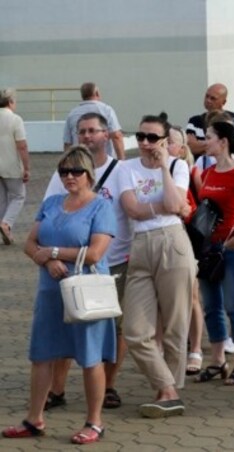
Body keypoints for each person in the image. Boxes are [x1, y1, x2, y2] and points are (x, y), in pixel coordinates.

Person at [4, 146, 116, 444]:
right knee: (41, 354)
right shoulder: (52, 203)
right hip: (51, 291)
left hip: (85, 294)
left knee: (91, 357)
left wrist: (53, 251)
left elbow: (95, 253)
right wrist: (47, 260)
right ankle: (34, 418)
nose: (69, 177)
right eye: (64, 171)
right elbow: (30, 244)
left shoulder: (101, 206)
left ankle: (94, 422)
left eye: (76, 171)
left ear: (88, 174)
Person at [42, 113, 133, 411]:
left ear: (106, 135)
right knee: (65, 326)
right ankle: (56, 389)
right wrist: (47, 258)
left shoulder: (121, 170)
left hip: (113, 263)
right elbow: (45, 221)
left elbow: (133, 210)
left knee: (111, 329)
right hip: (66, 268)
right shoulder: (63, 173)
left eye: (93, 130)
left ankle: (108, 386)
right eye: (82, 131)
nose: (87, 135)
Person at [119, 113, 195, 418]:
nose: (145, 143)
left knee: (176, 322)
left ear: (165, 141)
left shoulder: (178, 166)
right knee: (135, 330)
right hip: (140, 245)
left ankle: (167, 392)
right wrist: (161, 206)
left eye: (152, 138)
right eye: (141, 137)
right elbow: (133, 210)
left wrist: (164, 164)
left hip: (173, 242)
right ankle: (169, 389)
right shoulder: (126, 168)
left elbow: (178, 205)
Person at [193, 121, 234, 386]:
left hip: (233, 248)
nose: (204, 141)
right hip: (209, 249)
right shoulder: (207, 174)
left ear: (223, 142)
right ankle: (218, 360)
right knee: (211, 306)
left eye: (208, 137)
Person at [165, 126, 205, 377]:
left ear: (181, 149)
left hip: (188, 236)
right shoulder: (144, 172)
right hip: (162, 239)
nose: (164, 145)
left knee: (191, 296)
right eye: (163, 140)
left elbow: (195, 205)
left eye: (170, 142)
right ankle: (163, 348)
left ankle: (196, 348)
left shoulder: (187, 171)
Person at [63, 82, 125, 160]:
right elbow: (116, 136)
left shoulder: (72, 114)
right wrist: (122, 161)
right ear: (97, 93)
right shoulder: (106, 110)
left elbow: (67, 143)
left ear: (82, 96)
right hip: (105, 162)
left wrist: (68, 163)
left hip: (81, 162)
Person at [0, 88, 29, 245]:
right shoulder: (15, 119)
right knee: (19, 196)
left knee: (2, 200)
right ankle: (6, 224)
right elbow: (22, 146)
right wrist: (27, 168)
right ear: (10, 102)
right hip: (11, 166)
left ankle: (6, 231)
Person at [186, 84, 234, 157]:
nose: (208, 100)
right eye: (207, 96)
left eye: (213, 98)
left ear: (223, 102)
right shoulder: (194, 121)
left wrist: (199, 144)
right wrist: (217, 144)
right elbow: (190, 148)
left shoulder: (233, 118)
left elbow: (232, 144)